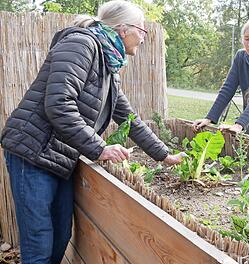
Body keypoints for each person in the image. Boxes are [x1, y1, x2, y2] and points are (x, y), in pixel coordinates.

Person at [0, 1, 183, 263]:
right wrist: (99, 148)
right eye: (142, 30)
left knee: (61, 235)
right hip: (33, 154)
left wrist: (164, 155)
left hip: (60, 157)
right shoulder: (81, 45)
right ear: (123, 30)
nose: (144, 37)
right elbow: (58, 104)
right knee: (39, 243)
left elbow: (128, 117)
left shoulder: (108, 62)